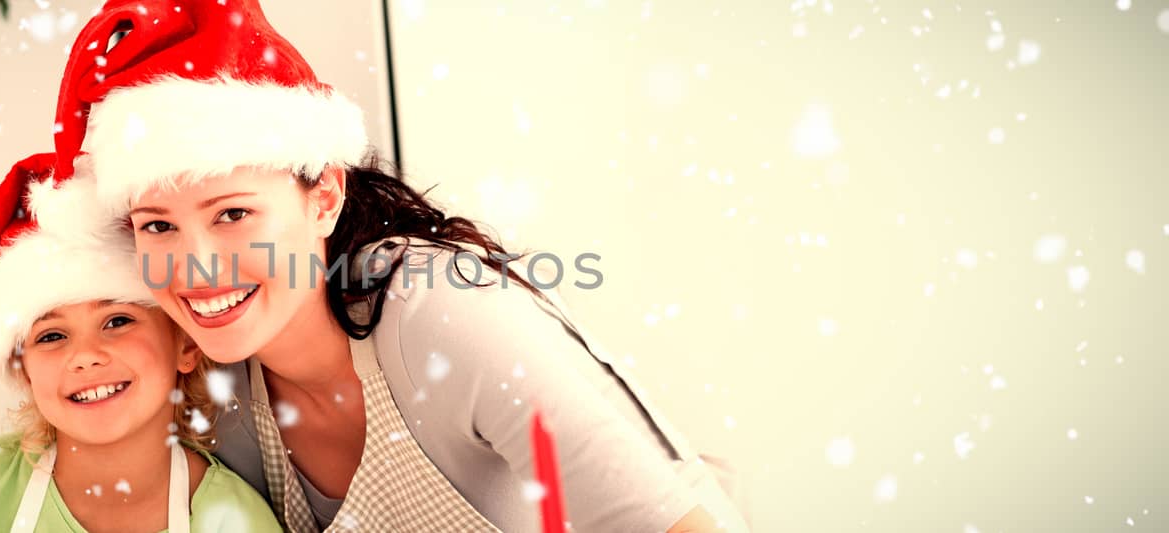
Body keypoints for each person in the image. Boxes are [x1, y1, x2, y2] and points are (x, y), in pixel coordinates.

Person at [52, 1, 749, 530]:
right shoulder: (219, 391)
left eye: (233, 214)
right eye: (158, 226)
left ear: (323, 195)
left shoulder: (439, 313)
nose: (196, 268)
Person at [0, 153, 280, 533]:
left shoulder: (232, 519)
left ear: (186, 347)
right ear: (24, 370)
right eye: (51, 336)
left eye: (118, 321)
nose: (85, 357)